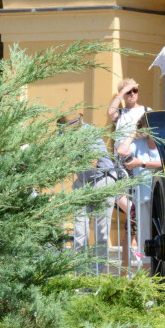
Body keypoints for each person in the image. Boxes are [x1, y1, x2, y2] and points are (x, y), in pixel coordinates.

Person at [59, 113, 114, 275]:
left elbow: (92, 162)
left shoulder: (89, 133)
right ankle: (80, 276)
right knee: (79, 233)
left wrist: (68, 161)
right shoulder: (62, 134)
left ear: (78, 124)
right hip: (83, 181)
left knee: (101, 233)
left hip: (102, 180)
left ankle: (95, 277)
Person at [116, 113, 162, 268]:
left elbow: (164, 162)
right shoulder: (139, 143)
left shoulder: (164, 142)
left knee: (161, 237)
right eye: (147, 125)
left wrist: (142, 163)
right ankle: (147, 275)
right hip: (142, 198)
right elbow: (121, 151)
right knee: (144, 240)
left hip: (162, 198)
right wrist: (133, 134)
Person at [107, 78, 147, 161]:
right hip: (121, 160)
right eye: (128, 92)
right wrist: (122, 92)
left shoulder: (146, 111)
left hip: (140, 157)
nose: (132, 94)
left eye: (135, 90)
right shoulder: (120, 113)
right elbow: (110, 113)